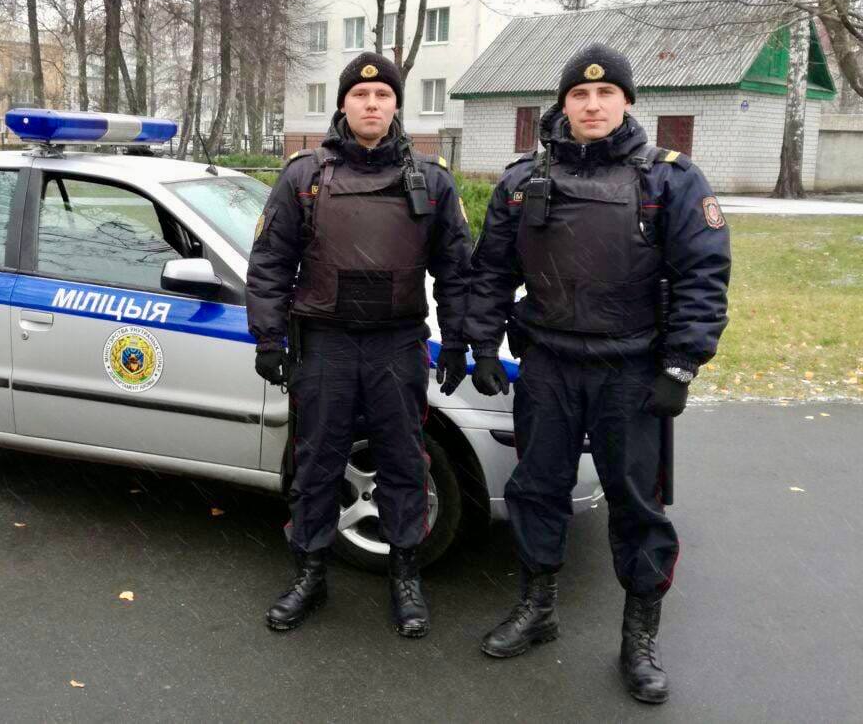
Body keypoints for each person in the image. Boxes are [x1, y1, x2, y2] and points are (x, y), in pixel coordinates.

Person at [467, 43, 730, 703]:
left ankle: (638, 639)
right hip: (548, 367)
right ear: (564, 103)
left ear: (627, 102)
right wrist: (482, 345)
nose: (592, 104)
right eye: (579, 95)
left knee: (638, 507)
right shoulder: (524, 179)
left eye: (605, 93)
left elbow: (703, 278)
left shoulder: (670, 179)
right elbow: (492, 270)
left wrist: (681, 365)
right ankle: (538, 609)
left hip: (631, 372)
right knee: (536, 491)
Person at [246, 51, 472, 638]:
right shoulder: (305, 176)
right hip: (325, 345)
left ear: (396, 105)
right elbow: (270, 263)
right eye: (360, 95)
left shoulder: (431, 179)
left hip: (397, 344)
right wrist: (268, 337)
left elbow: (457, 270)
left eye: (383, 95)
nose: (372, 104)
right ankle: (310, 574)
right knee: (316, 462)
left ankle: (405, 575)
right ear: (343, 103)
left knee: (403, 463)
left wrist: (457, 342)